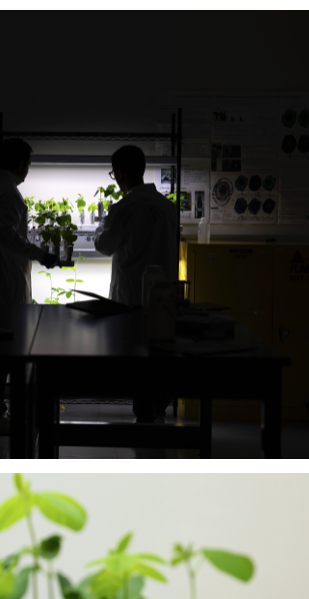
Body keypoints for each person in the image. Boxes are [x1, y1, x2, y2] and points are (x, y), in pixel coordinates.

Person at [0, 138, 58, 436]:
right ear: (20, 164)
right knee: (2, 354)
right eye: (28, 164)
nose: (28, 170)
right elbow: (6, 236)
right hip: (3, 288)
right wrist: (41, 254)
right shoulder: (9, 194)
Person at [93, 145, 180, 422]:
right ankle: (159, 410)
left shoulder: (124, 207)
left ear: (121, 173)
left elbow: (105, 246)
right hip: (163, 297)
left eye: (114, 174)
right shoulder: (168, 207)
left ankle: (144, 417)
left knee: (138, 359)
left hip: (132, 298)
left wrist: (100, 228)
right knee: (160, 356)